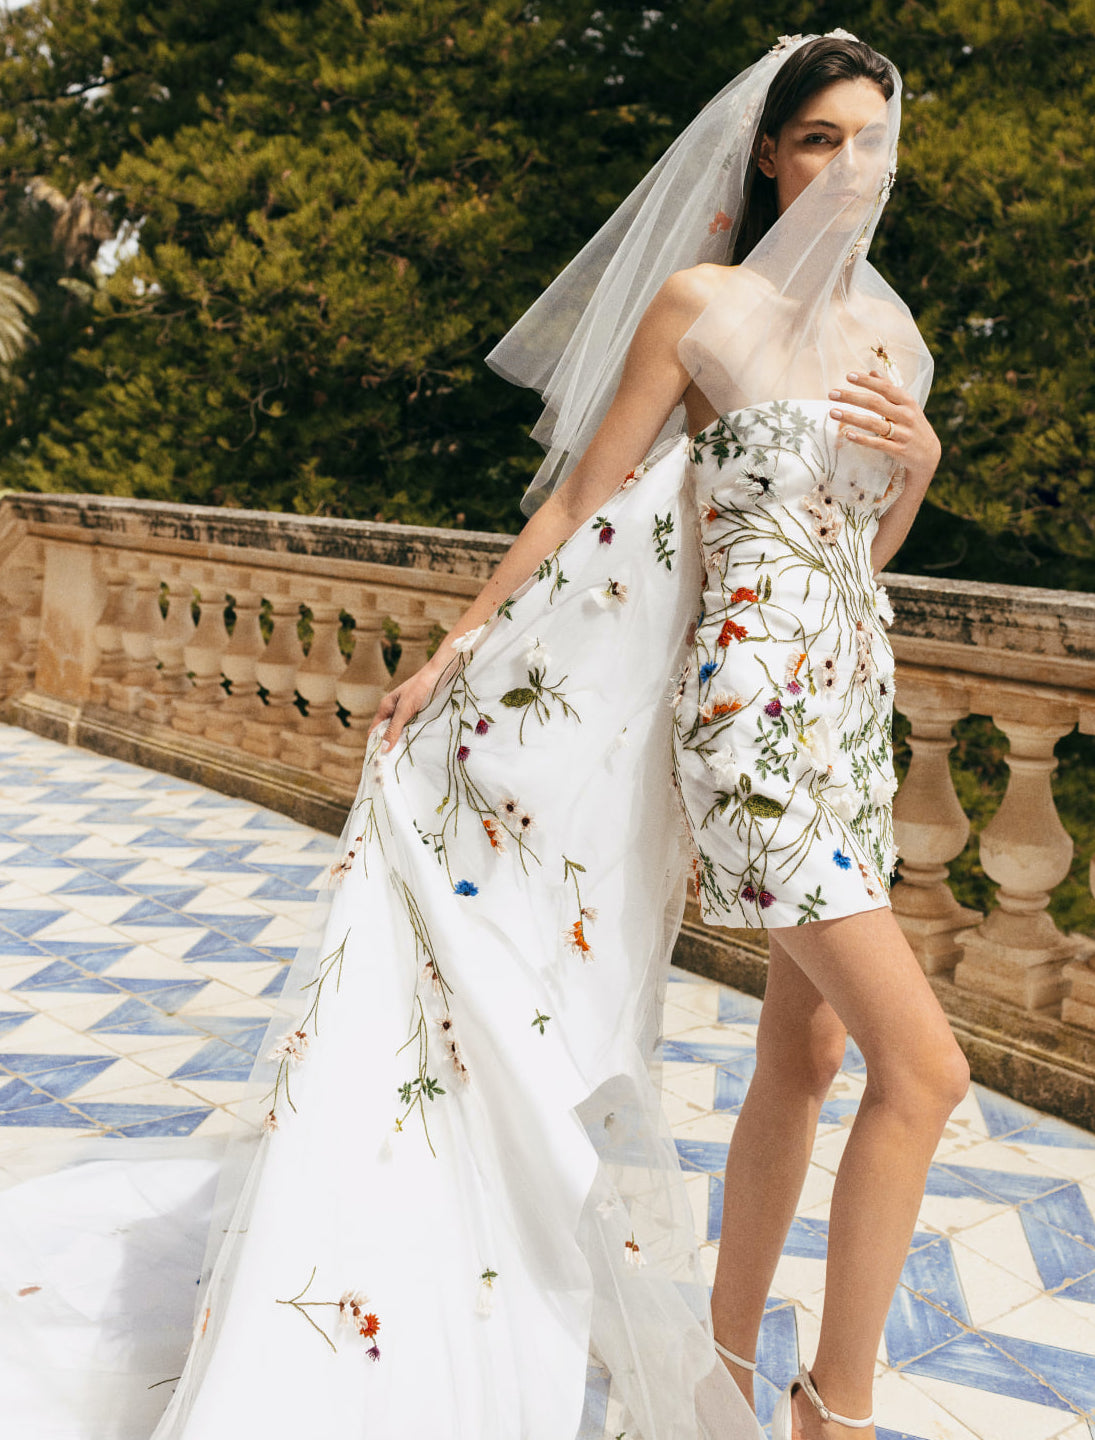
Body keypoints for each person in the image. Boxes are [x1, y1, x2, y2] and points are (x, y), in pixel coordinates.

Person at [0, 31, 968, 1440]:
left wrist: (922, 468)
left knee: (808, 1061)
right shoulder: (708, 306)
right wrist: (455, 653)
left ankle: (713, 1375)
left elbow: (853, 552)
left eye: (872, 143)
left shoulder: (893, 339)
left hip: (848, 706)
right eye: (822, 138)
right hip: (749, 718)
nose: (850, 169)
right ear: (770, 154)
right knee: (925, 1068)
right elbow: (578, 503)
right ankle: (841, 1413)